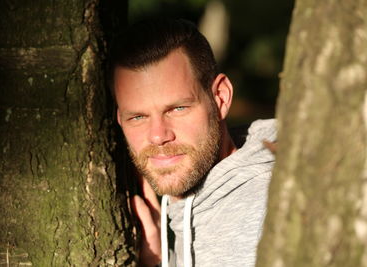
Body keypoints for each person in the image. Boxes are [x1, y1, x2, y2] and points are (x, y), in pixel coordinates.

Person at [109, 18, 276, 267]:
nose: (158, 135)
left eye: (177, 108)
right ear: (120, 119)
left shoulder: (268, 211)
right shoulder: (188, 211)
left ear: (220, 97)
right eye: (138, 117)